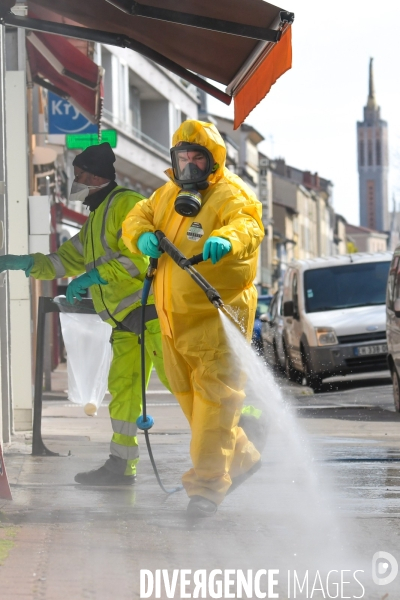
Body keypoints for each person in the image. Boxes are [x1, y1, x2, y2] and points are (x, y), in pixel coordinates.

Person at [0, 142, 169, 486]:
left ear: (96, 175)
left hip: (150, 314)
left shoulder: (126, 205)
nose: (74, 182)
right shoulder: (95, 219)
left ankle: (240, 429)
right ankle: (121, 465)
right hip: (126, 322)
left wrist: (93, 276)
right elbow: (63, 260)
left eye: (78, 176)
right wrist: (24, 263)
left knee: (181, 380)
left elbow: (137, 258)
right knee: (122, 392)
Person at [122, 120, 264, 517]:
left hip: (216, 320)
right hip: (174, 322)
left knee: (215, 405)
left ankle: (205, 491)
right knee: (196, 408)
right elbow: (136, 218)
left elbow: (249, 225)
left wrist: (228, 240)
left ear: (212, 161)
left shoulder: (230, 194)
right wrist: (141, 236)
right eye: (182, 157)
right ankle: (244, 459)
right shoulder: (167, 195)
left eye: (196, 157)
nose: (188, 164)